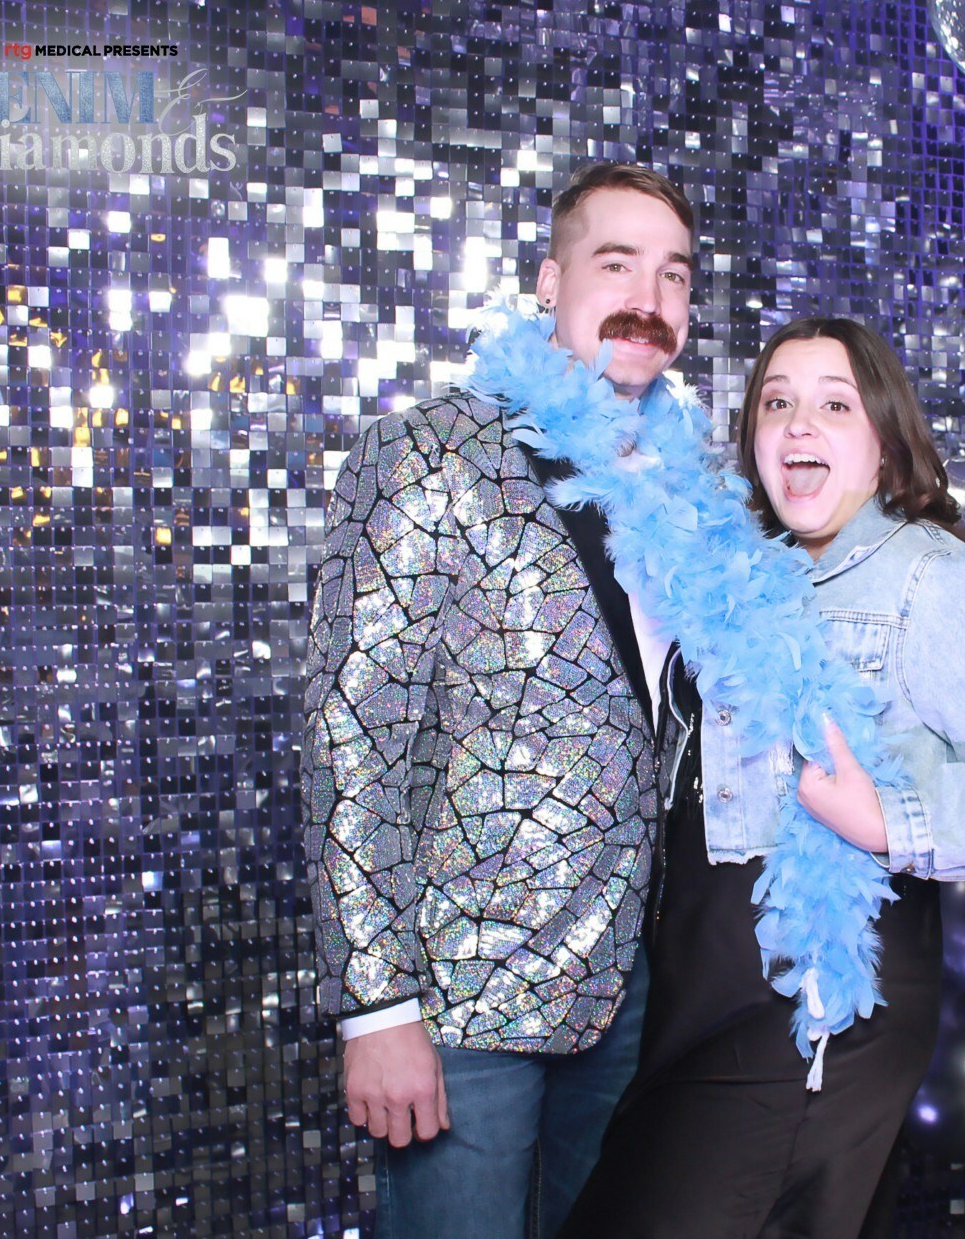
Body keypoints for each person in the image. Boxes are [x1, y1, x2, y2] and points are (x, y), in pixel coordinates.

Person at [562, 318, 965, 1239]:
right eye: (777, 403)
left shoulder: (925, 579)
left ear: (884, 439)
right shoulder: (748, 573)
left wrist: (893, 818)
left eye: (835, 405)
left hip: (815, 999)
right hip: (704, 983)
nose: (799, 424)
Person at [299, 162, 697, 1239]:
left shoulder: (687, 486)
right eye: (616, 265)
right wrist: (374, 1007)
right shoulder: (427, 449)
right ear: (549, 282)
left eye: (673, 276)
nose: (648, 300)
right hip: (457, 996)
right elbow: (353, 733)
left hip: (628, 986)